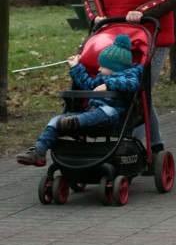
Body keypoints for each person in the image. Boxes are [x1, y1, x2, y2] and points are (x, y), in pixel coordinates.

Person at [84, 0, 176, 156]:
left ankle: (137, 147)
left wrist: (142, 11)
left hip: (149, 38)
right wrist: (96, 17)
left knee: (138, 91)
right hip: (112, 38)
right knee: (125, 90)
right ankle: (153, 145)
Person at [17, 34, 143, 166]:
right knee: (56, 121)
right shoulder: (100, 78)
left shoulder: (130, 75)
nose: (98, 69)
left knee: (105, 110)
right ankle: (39, 151)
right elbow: (87, 84)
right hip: (91, 114)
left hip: (114, 116)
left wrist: (108, 85)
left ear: (115, 68)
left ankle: (75, 121)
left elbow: (131, 84)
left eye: (102, 66)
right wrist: (75, 67)